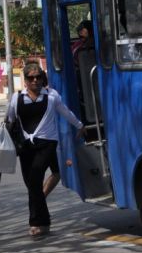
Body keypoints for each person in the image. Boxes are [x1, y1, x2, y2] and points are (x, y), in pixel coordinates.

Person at [6, 63, 86, 238]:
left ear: (42, 78)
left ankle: (38, 222)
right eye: (30, 77)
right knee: (31, 184)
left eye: (38, 77)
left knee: (35, 178)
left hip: (47, 143)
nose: (35, 80)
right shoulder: (16, 98)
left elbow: (65, 112)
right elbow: (10, 120)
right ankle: (43, 219)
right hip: (25, 146)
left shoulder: (51, 96)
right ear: (25, 80)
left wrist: (79, 125)